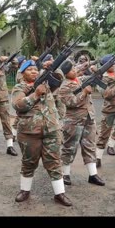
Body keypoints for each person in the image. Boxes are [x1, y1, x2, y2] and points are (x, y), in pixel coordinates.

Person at [11, 60, 72, 206]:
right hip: (29, 132)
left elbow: (59, 78)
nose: (33, 71)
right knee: (28, 162)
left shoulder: (47, 84)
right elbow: (18, 105)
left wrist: (53, 67)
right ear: (23, 73)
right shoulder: (19, 88)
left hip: (51, 130)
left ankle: (59, 194)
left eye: (35, 69)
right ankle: (25, 190)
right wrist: (35, 94)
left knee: (54, 162)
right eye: (29, 69)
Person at [57, 60, 105, 186]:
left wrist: (97, 71)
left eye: (74, 69)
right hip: (74, 121)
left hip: (89, 118)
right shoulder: (64, 87)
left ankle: (93, 175)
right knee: (69, 148)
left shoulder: (79, 80)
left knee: (89, 146)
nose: (74, 71)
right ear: (66, 74)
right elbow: (72, 103)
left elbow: (92, 77)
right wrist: (84, 93)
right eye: (71, 70)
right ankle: (65, 174)